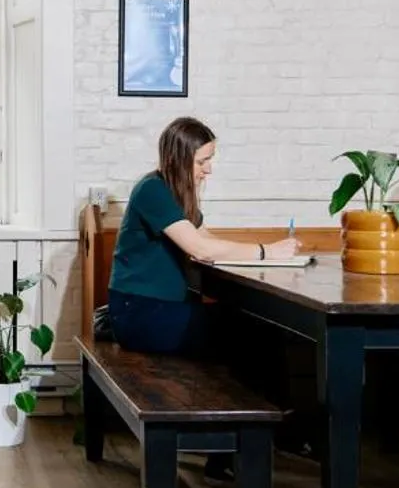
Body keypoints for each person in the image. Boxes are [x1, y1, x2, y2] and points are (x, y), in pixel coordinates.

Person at [106, 117, 299, 354]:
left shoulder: (175, 192)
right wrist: (266, 251)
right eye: (202, 161)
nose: (208, 169)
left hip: (160, 307)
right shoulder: (153, 190)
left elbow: (206, 239)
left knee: (260, 323)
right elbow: (199, 248)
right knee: (260, 329)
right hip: (139, 312)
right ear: (177, 160)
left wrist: (265, 253)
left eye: (210, 159)